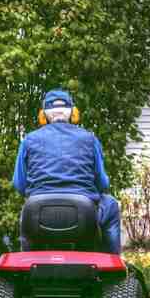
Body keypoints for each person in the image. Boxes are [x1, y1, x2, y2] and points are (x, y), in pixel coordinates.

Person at [11, 89, 122, 254]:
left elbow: (19, 184)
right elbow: (102, 183)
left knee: (25, 211)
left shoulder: (29, 140)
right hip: (84, 212)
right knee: (111, 204)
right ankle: (114, 264)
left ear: (43, 115)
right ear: (73, 113)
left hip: (38, 213)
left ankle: (27, 258)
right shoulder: (89, 139)